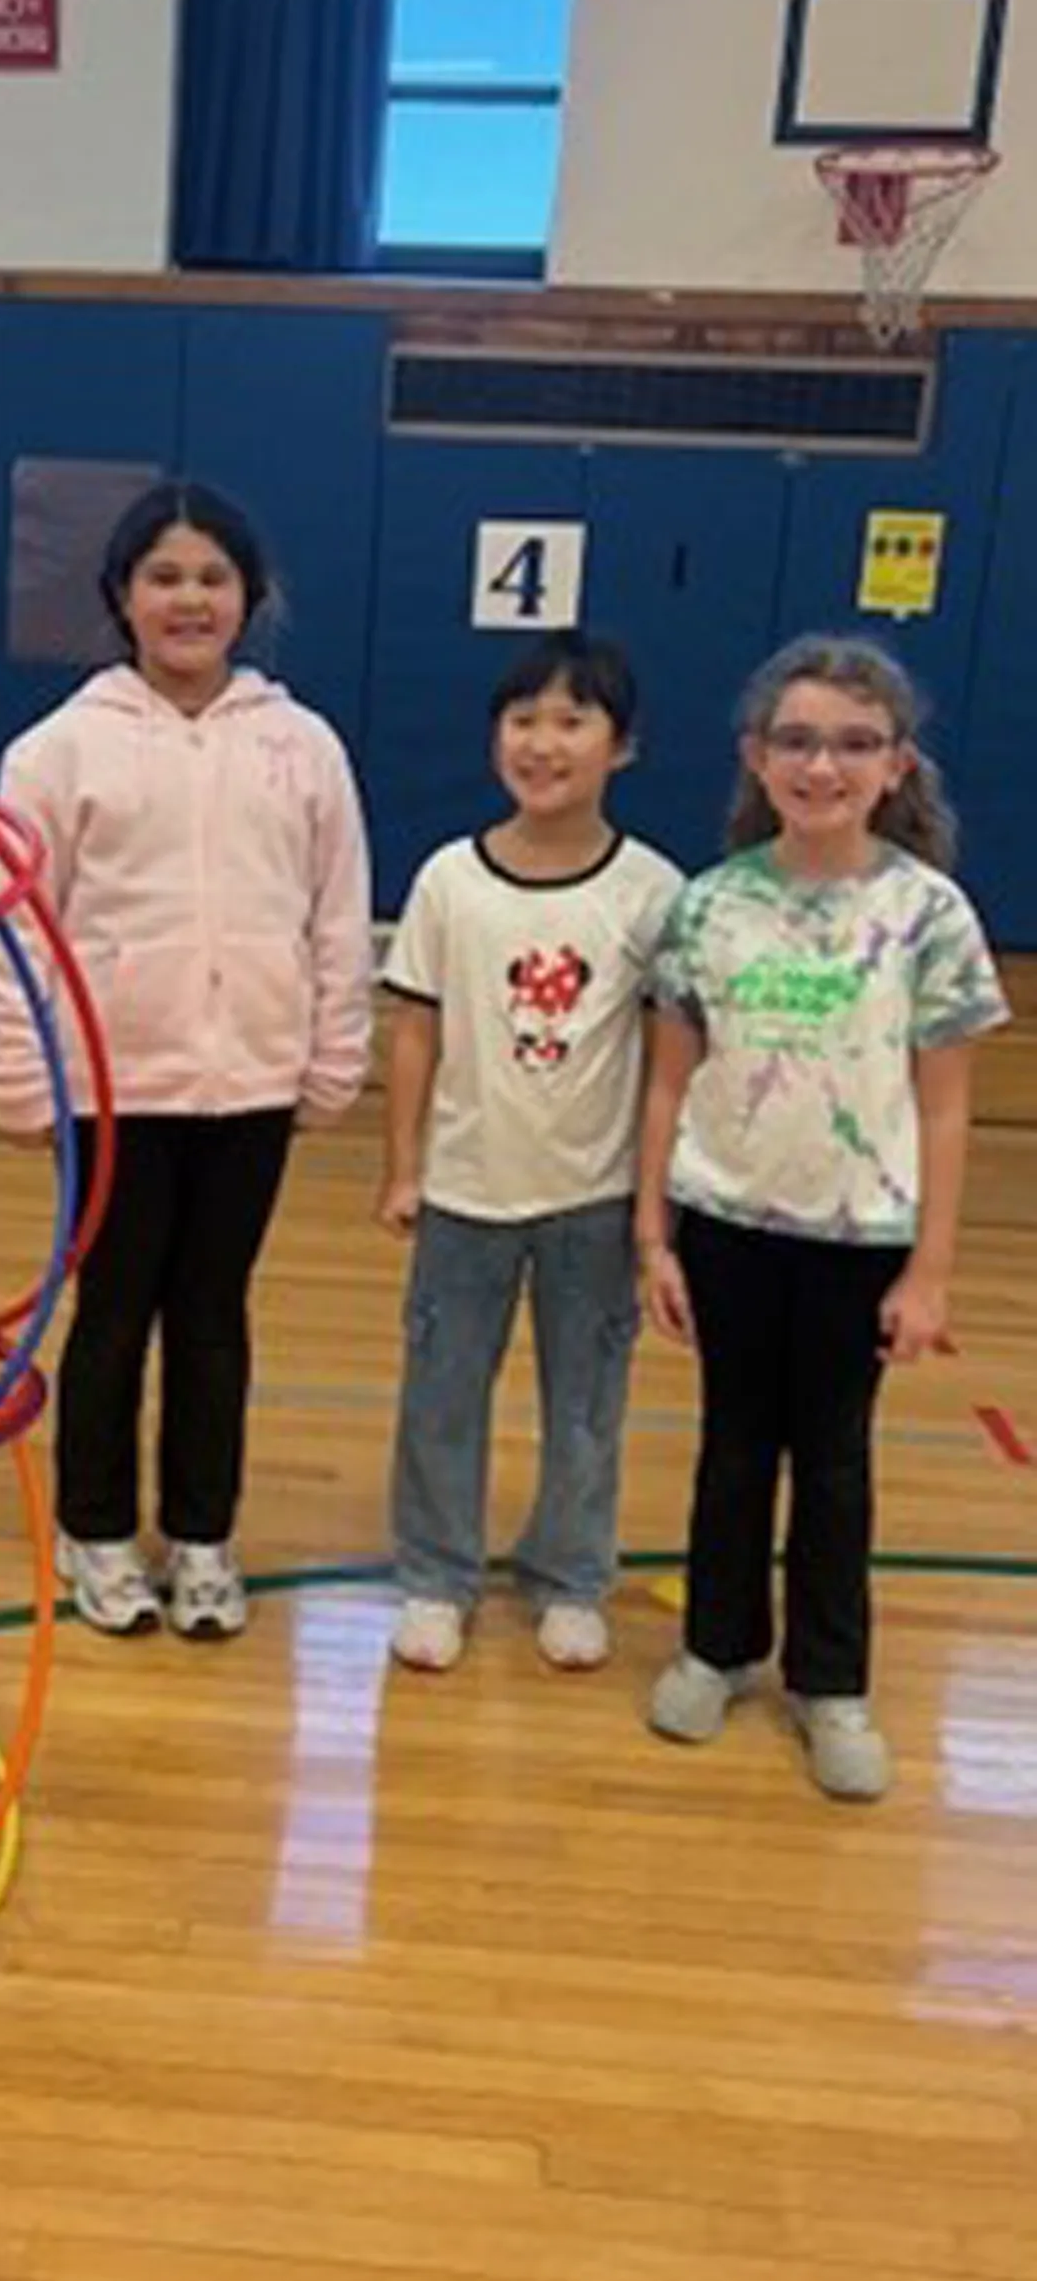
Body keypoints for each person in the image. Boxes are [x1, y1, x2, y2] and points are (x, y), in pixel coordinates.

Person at [0, 480, 372, 1638]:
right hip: (114, 1090)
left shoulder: (304, 747)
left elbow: (338, 915)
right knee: (113, 1315)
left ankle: (203, 1536)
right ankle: (95, 1531)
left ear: (249, 597)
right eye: (164, 577)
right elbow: (17, 926)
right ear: (121, 596)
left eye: (212, 578)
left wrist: (331, 1059)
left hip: (251, 1088)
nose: (189, 600)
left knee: (213, 1318)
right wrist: (18, 1074)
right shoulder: (57, 751)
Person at [637, 634, 1009, 1801]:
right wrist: (653, 1236)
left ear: (896, 765)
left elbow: (944, 1108)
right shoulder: (708, 908)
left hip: (861, 1241)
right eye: (796, 741)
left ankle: (832, 1682)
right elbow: (667, 1085)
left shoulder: (929, 916)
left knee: (836, 1463)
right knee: (733, 1448)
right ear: (757, 757)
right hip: (729, 1225)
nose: (822, 766)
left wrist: (929, 1273)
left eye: (854, 744)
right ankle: (716, 1647)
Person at [378, 631, 680, 1673]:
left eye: (571, 721)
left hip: (594, 1200)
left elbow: (667, 1060)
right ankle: (435, 1574)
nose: (543, 743)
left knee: (587, 1402)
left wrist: (654, 1205)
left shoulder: (652, 892)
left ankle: (571, 1575)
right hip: (465, 1194)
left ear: (621, 746)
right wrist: (405, 1166)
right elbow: (414, 1030)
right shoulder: (449, 880)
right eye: (523, 720)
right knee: (441, 1394)